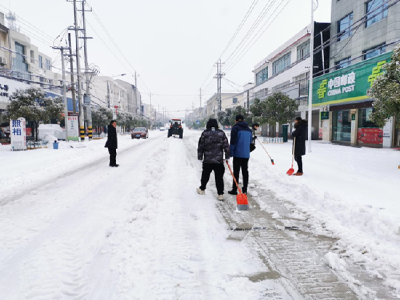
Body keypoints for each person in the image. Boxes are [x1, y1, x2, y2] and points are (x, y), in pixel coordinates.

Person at [197, 119, 230, 201]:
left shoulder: (205, 133)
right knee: (219, 177)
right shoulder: (221, 133)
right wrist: (227, 156)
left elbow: (201, 146)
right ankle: (220, 194)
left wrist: (200, 157)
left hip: (207, 160)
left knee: (205, 175)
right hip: (218, 160)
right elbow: (226, 145)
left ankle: (202, 189)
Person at [228, 115, 253, 195]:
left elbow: (233, 142)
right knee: (245, 171)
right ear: (243, 120)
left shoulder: (235, 128)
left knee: (236, 172)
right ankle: (245, 189)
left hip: (238, 154)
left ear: (236, 121)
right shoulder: (249, 130)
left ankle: (234, 189)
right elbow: (250, 142)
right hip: (246, 154)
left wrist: (230, 153)